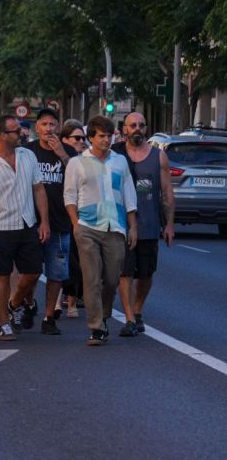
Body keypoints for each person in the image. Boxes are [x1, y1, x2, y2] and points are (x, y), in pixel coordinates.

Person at [63, 116, 138, 346]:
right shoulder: (77, 163)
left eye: (109, 136)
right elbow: (69, 196)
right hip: (87, 227)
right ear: (91, 138)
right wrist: (76, 224)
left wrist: (132, 225)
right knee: (92, 278)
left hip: (115, 226)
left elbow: (129, 194)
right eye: (101, 136)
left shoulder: (120, 162)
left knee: (112, 278)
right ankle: (96, 327)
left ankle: (104, 315)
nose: (106, 140)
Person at [0, 115, 50, 342]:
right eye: (15, 131)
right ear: (1, 136)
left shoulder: (27, 155)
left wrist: (44, 221)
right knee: (1, 276)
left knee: (33, 272)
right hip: (1, 228)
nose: (21, 133)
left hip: (28, 224)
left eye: (20, 130)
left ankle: (14, 303)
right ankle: (3, 324)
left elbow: (38, 188)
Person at [113, 112, 173, 337]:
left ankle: (137, 310)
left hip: (148, 224)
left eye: (141, 125)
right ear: (125, 129)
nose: (137, 128)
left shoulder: (159, 156)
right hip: (121, 225)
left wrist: (169, 224)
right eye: (132, 125)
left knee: (146, 274)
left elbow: (166, 192)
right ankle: (129, 318)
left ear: (146, 128)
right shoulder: (115, 154)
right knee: (125, 273)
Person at [23, 108, 78, 335]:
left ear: (58, 127)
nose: (48, 129)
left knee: (56, 273)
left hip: (60, 223)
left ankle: (48, 317)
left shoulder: (69, 152)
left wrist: (62, 155)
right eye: (44, 124)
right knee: (31, 272)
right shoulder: (27, 152)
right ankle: (27, 303)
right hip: (30, 223)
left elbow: (78, 178)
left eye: (52, 125)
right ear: (37, 127)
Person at [60, 122, 87, 317]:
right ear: (65, 140)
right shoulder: (60, 158)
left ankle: (77, 295)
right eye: (77, 138)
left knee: (82, 260)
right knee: (68, 261)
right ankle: (68, 298)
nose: (81, 142)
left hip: (86, 216)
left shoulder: (87, 159)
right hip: (62, 217)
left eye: (83, 138)